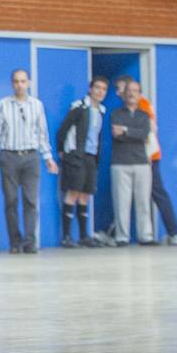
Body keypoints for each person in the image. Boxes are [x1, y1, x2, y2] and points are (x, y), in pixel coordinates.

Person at [0, 69, 59, 254]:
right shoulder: (3, 104)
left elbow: (42, 133)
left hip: (30, 156)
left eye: (23, 81)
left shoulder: (37, 105)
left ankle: (30, 241)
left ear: (29, 83)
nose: (20, 85)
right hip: (9, 156)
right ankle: (15, 242)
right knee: (11, 200)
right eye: (16, 81)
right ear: (12, 84)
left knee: (31, 200)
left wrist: (48, 157)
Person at [115, 75, 177, 244]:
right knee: (128, 198)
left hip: (148, 157)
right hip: (132, 156)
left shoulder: (142, 105)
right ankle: (120, 232)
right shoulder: (120, 111)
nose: (118, 93)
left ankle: (173, 232)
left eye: (120, 88)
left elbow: (147, 132)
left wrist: (127, 131)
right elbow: (117, 132)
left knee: (156, 193)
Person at [54, 76, 108, 248]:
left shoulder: (101, 110)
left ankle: (85, 236)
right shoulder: (79, 107)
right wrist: (62, 150)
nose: (100, 92)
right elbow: (63, 128)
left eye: (103, 89)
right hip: (76, 155)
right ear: (90, 89)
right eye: (97, 88)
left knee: (86, 194)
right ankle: (66, 236)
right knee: (73, 193)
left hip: (91, 156)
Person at [108, 79, 155, 246]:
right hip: (120, 163)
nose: (131, 93)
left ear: (140, 94)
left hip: (142, 163)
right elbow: (116, 134)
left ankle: (146, 236)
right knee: (121, 202)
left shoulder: (144, 115)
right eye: (129, 90)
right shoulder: (116, 114)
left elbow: (144, 134)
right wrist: (131, 133)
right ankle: (122, 237)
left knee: (143, 202)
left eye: (135, 90)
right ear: (123, 93)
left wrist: (126, 130)